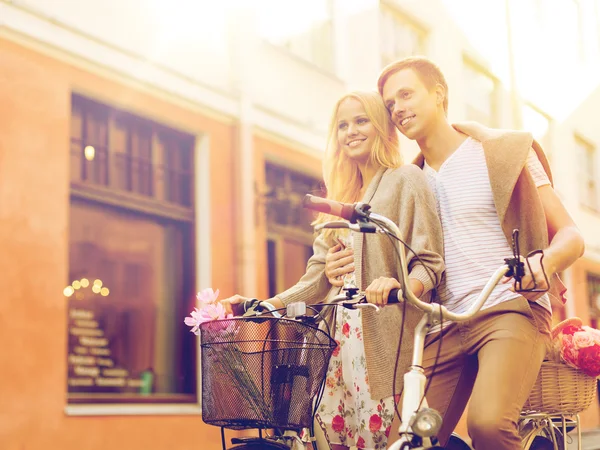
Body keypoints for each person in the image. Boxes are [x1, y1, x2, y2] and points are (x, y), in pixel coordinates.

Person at [325, 57, 585, 450]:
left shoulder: (503, 152)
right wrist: (337, 264)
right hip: (440, 324)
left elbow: (571, 236)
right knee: (409, 437)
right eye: (390, 103)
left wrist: (542, 264)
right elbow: (395, 255)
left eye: (407, 94)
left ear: (439, 94)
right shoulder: (408, 180)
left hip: (507, 308)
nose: (397, 109)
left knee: (488, 425)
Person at [220, 90, 445, 450]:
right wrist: (262, 305)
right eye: (342, 125)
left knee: (381, 442)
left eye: (361, 120)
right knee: (331, 442)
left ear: (381, 127)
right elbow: (315, 279)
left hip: (382, 340)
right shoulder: (338, 199)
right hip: (331, 343)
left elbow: (430, 264)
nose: (351, 131)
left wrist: (396, 283)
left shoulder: (406, 179)